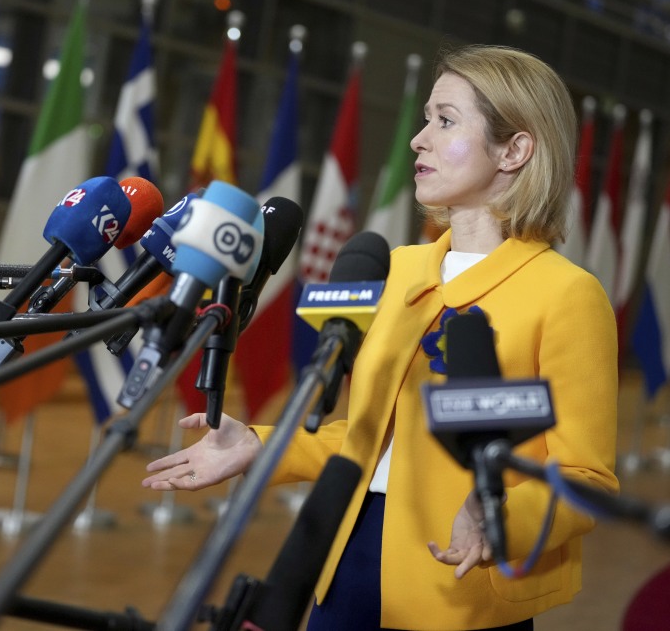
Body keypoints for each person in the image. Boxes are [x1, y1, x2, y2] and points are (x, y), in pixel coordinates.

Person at [142, 44, 619, 630]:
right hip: (340, 562)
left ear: (515, 149)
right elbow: (373, 440)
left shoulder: (568, 294)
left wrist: (501, 518)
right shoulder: (399, 270)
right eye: (426, 119)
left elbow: (586, 479)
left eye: (445, 121)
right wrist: (261, 445)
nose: (419, 139)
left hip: (461, 588)